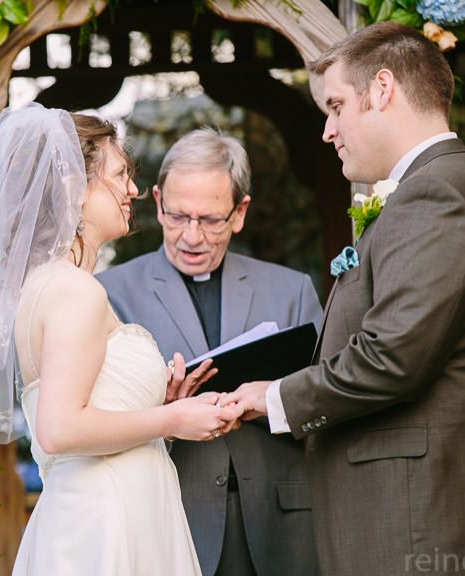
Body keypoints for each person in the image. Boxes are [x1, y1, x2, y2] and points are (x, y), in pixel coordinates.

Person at [220, 22, 465, 576]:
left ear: (383, 88)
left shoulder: (435, 194)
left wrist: (274, 398)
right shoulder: (437, 186)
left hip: (428, 525)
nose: (327, 130)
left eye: (336, 106)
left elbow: (391, 357)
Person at [0, 104, 238, 575]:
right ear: (74, 188)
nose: (132, 190)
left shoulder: (46, 284)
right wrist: (173, 418)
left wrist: (156, 401)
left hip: (100, 507)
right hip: (107, 520)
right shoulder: (75, 291)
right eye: (120, 175)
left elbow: (82, 403)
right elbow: (59, 430)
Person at [98, 129, 322, 576]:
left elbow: (325, 401)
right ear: (157, 202)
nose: (192, 236)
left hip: (280, 523)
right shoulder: (108, 294)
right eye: (178, 216)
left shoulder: (291, 289)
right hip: (169, 517)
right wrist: (162, 408)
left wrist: (271, 401)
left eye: (211, 220)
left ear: (239, 213)